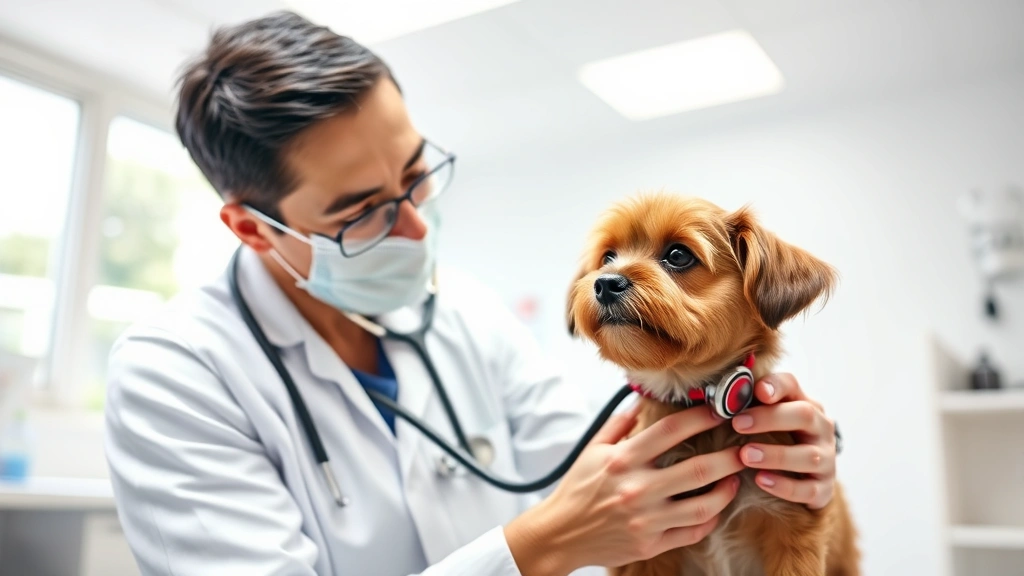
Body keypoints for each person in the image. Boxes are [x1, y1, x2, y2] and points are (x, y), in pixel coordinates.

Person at [103, 11, 841, 576]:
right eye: (362, 212)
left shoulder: (463, 314)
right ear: (253, 228)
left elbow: (598, 462)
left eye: (417, 173)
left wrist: (796, 451)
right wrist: (536, 549)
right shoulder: (174, 374)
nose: (418, 228)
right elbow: (574, 519)